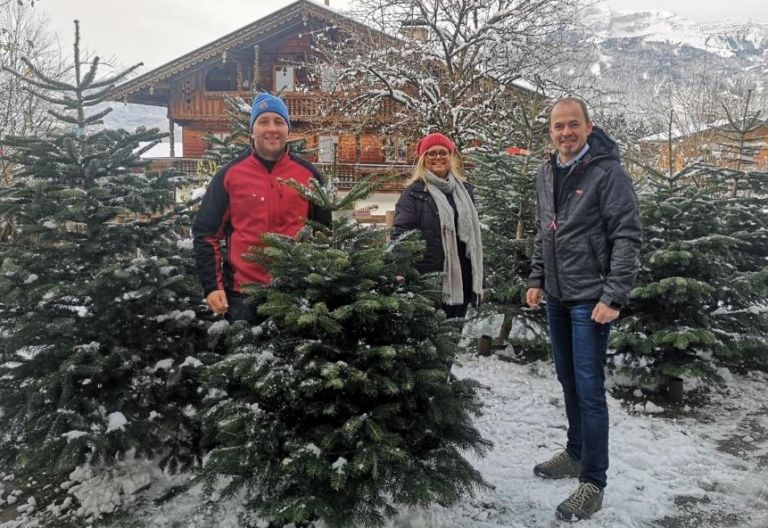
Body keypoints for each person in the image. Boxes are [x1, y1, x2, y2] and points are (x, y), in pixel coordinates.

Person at [526, 97, 642, 521]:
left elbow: (627, 237)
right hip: (557, 295)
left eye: (573, 125)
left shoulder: (608, 174)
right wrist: (537, 278)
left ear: (589, 127)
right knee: (568, 379)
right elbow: (545, 232)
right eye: (558, 126)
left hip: (591, 299)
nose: (565, 133)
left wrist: (613, 296)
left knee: (590, 390)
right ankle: (575, 453)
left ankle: (593, 481)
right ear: (551, 131)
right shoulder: (545, 171)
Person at [193, 92, 331, 323]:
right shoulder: (229, 176)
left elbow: (324, 234)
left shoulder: (309, 175)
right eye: (263, 121)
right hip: (243, 296)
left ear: (288, 130)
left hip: (297, 292)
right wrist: (212, 287)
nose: (272, 128)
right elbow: (206, 234)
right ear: (252, 130)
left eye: (278, 122)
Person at [392, 132, 483, 318]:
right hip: (430, 279)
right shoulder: (414, 193)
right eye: (432, 153)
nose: (438, 157)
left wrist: (481, 281)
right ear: (423, 159)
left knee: (454, 337)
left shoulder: (466, 192)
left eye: (443, 152)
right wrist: (399, 269)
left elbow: (475, 239)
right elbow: (402, 234)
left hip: (463, 280)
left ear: (451, 157)